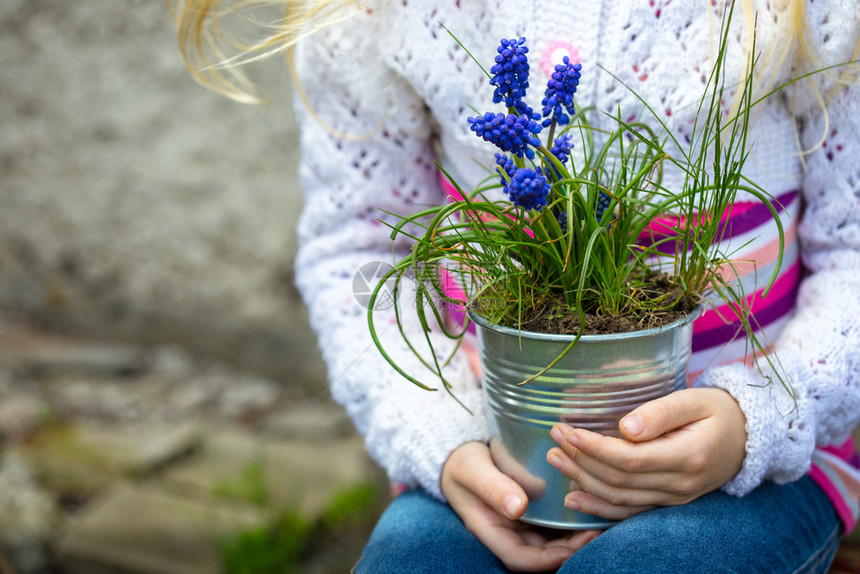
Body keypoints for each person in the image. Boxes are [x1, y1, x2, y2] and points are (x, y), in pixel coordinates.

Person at [175, 1, 860, 572]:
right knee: (413, 562)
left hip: (767, 464)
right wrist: (436, 432)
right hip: (496, 448)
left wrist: (760, 420)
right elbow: (361, 250)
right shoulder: (375, 13)